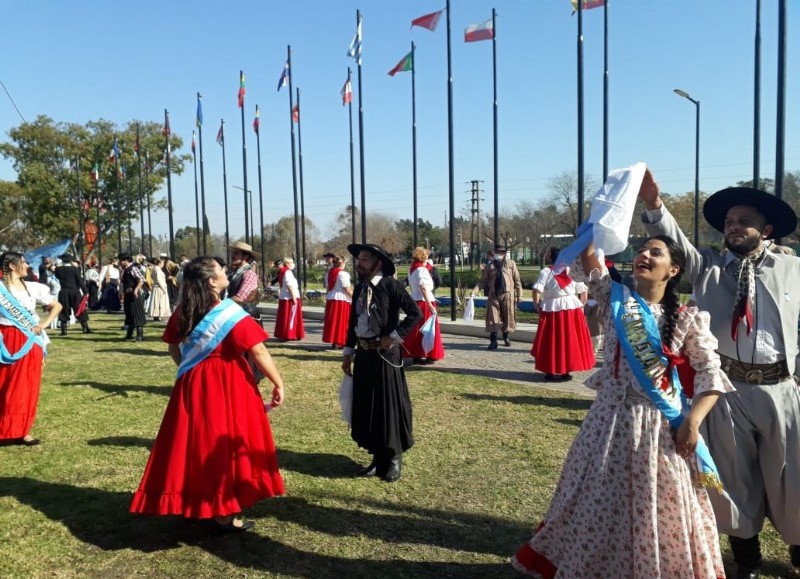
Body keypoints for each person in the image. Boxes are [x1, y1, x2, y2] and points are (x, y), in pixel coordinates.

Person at [511, 235, 733, 578]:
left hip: (659, 430)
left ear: (672, 270)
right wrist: (597, 222)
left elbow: (710, 373)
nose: (643, 255)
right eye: (641, 250)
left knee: (656, 508)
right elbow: (590, 262)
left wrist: (693, 422)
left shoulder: (689, 318)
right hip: (608, 425)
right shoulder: (615, 299)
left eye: (655, 253)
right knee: (598, 502)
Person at [640, 169, 800, 578]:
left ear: (764, 229)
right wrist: (655, 206)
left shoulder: (792, 269)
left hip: (781, 388)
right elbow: (674, 241)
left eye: (743, 220)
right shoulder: (707, 267)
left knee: (792, 477)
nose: (734, 227)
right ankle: (746, 558)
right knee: (732, 478)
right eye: (729, 222)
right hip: (727, 393)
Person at [129, 256, 285, 532]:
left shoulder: (183, 311)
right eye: (221, 270)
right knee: (224, 445)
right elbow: (258, 350)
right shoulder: (230, 313)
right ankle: (225, 514)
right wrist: (278, 382)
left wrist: (190, 369)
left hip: (192, 383)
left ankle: (192, 502)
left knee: (192, 443)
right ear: (213, 281)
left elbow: (173, 347)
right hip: (228, 384)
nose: (226, 272)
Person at [342, 243, 421, 482]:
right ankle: (377, 458)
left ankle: (394, 457)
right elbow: (352, 322)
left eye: (365, 259)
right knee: (367, 405)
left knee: (388, 406)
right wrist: (348, 353)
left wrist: (394, 337)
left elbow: (415, 313)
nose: (359, 263)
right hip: (364, 354)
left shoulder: (390, 285)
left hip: (386, 356)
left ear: (378, 264)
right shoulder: (359, 289)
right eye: (359, 259)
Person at [0, 252, 62, 446]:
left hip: (28, 341)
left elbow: (56, 306)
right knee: (4, 384)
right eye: (24, 262)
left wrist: (43, 325)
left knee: (27, 386)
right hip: (5, 339)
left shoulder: (33, 288)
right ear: (12, 266)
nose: (27, 266)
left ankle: (22, 430)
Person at [530, 246, 595, 382]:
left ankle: (551, 370)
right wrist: (581, 307)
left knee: (552, 340)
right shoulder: (571, 270)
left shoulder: (546, 272)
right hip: (572, 307)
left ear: (550, 257)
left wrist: (536, 304)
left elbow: (537, 290)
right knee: (570, 339)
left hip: (552, 308)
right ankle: (566, 371)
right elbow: (583, 291)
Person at [471, 245, 522, 349]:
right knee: (493, 318)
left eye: (502, 252)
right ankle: (493, 340)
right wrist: (475, 291)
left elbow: (517, 280)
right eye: (498, 252)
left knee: (508, 316)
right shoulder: (490, 266)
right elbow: (482, 281)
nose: (500, 254)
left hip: (508, 294)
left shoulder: (511, 264)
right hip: (494, 295)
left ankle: (506, 336)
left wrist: (519, 295)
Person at [402, 246, 444, 365]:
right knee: (428, 329)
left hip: (416, 299)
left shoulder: (412, 269)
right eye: (426, 255)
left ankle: (416, 353)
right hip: (424, 301)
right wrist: (430, 304)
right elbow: (424, 288)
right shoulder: (422, 270)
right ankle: (428, 353)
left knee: (417, 328)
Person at [54, 253, 91, 335]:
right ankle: (85, 328)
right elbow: (80, 281)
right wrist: (86, 292)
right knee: (79, 309)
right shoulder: (75, 269)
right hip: (74, 291)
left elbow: (56, 275)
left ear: (62, 260)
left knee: (64, 310)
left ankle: (64, 330)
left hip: (64, 291)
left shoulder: (58, 269)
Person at [322, 255, 352, 349]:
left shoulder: (329, 273)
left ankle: (334, 341)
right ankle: (340, 341)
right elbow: (347, 288)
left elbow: (328, 287)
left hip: (331, 298)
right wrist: (354, 297)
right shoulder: (343, 274)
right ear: (342, 263)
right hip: (341, 299)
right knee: (341, 320)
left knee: (333, 321)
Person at [226, 241, 261, 321]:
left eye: (236, 253)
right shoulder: (234, 273)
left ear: (245, 256)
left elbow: (240, 298)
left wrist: (221, 304)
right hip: (236, 313)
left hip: (245, 315)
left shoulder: (249, 274)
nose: (232, 256)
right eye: (233, 253)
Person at [273, 257, 304, 341]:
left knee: (285, 316)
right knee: (291, 316)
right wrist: (294, 298)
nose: (292, 264)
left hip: (284, 296)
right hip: (290, 297)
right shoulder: (287, 272)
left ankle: (285, 333)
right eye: (291, 262)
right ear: (287, 264)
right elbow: (290, 286)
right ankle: (290, 334)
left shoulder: (282, 271)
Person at [119, 252, 146, 342]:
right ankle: (129, 334)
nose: (120, 262)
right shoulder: (125, 270)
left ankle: (139, 336)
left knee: (137, 314)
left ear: (126, 260)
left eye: (121, 260)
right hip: (127, 295)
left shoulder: (133, 268)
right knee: (129, 315)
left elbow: (141, 279)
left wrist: (136, 289)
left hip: (135, 295)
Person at [146, 257, 171, 321]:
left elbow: (152, 276)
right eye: (163, 263)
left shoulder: (155, 269)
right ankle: (158, 315)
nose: (163, 264)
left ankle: (157, 315)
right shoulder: (157, 269)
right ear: (160, 263)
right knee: (159, 301)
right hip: (159, 288)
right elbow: (159, 280)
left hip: (156, 287)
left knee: (157, 301)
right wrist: (163, 288)